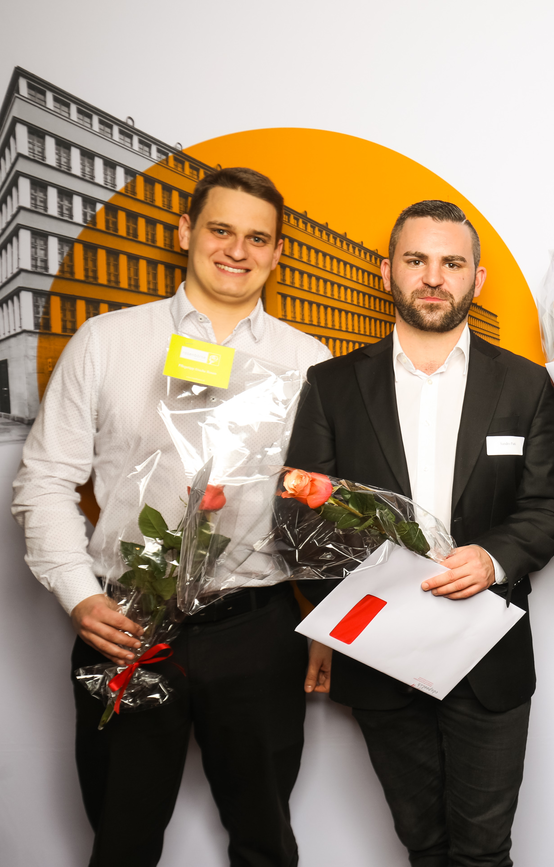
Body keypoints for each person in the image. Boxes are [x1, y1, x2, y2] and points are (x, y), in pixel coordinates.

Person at [12, 167, 331, 866]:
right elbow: (46, 480)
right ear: (185, 231)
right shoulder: (107, 341)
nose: (237, 251)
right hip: (126, 623)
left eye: (257, 238)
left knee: (266, 840)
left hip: (256, 628)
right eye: (221, 230)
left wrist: (321, 621)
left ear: (277, 252)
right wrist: (80, 594)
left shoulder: (309, 361)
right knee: (121, 840)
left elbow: (316, 507)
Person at [287, 200, 554, 867]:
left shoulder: (526, 386)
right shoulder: (331, 386)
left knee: (483, 852)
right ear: (388, 271)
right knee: (423, 845)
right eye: (416, 260)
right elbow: (301, 522)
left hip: (488, 653)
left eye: (452, 263)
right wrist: (349, 612)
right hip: (379, 654)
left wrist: (493, 558)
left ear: (478, 278)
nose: (434, 277)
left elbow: (547, 509)